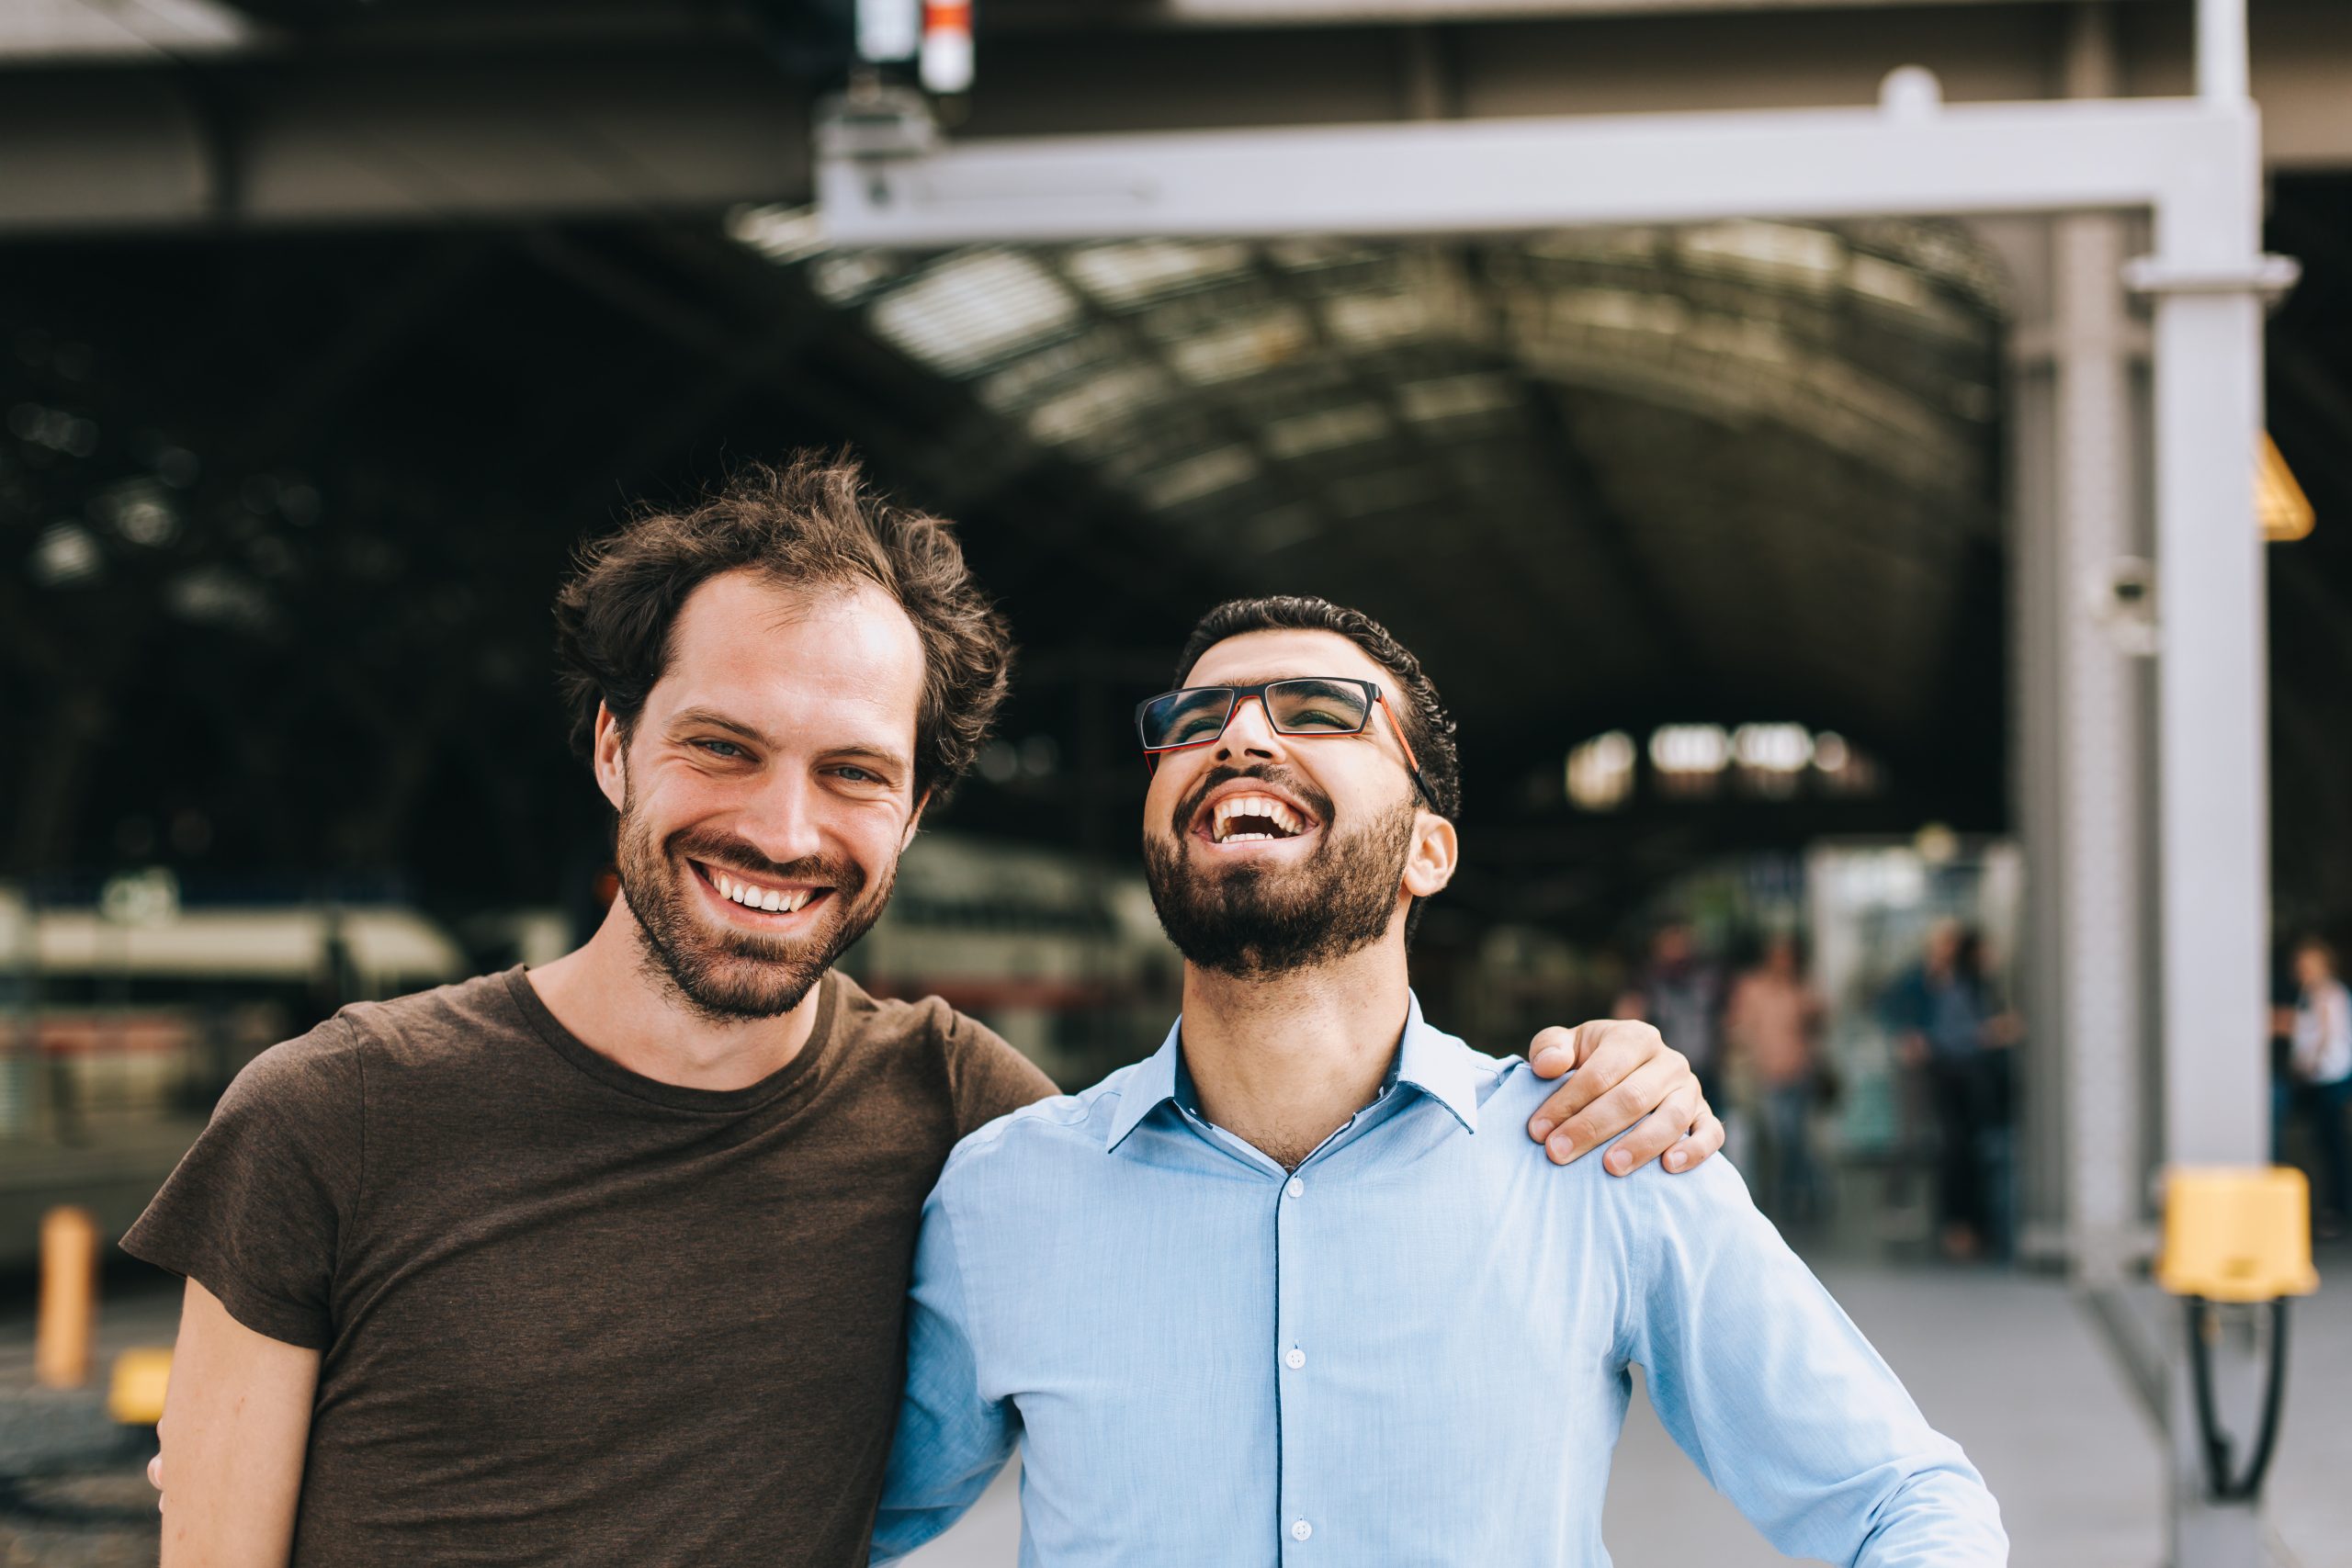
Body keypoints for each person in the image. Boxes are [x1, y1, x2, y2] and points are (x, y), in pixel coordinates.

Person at [127, 456, 1723, 1567]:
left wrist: (1609, 1090)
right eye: (723, 746)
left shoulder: (966, 1115)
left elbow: (1252, 1222)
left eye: (854, 775)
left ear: (909, 814)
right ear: (612, 743)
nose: (783, 826)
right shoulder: (330, 1110)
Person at [873, 596, 2007, 1565]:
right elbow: (821, 1525)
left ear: (1429, 852)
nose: (1239, 737)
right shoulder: (1004, 1196)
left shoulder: (1600, 1157)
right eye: (1193, 721)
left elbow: (1904, 1503)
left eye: (1317, 710)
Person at [1883, 921, 2016, 1262]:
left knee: (1966, 1155)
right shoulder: (1945, 984)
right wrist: (1987, 1033)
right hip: (1955, 1082)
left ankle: (1969, 1227)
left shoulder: (1974, 986)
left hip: (1970, 1084)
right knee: (1951, 1153)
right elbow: (1948, 1035)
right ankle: (1954, 1226)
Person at [1724, 930, 1827, 1225]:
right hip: (1768, 1076)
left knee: (1797, 1137)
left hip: (1801, 1073)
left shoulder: (1801, 988)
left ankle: (1800, 1191)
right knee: (1781, 1136)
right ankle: (1795, 1190)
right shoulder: (1753, 988)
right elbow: (1738, 1027)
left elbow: (1821, 1021)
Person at [2276, 936, 2352, 1238]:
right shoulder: (2309, 996)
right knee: (2325, 1144)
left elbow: (2328, 1034)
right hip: (2320, 1079)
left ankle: (2337, 1209)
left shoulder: (2328, 994)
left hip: (2330, 1077)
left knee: (2332, 1145)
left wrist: (2311, 1062)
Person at [1617, 920, 1725, 1107]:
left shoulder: (1706, 976)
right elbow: (1627, 1018)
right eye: (1670, 941)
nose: (1676, 948)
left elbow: (1725, 1015)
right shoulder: (1645, 981)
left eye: (1681, 940)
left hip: (1708, 1067)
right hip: (1665, 1070)